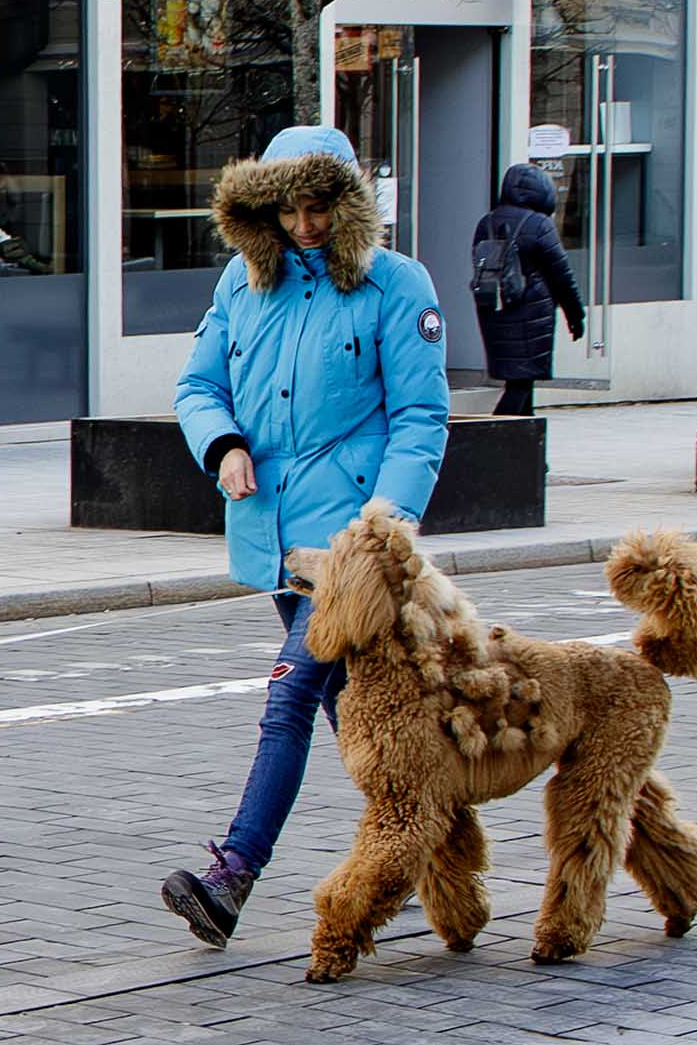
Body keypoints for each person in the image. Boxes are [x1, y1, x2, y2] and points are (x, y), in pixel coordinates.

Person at [164, 125, 451, 949]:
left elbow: (422, 416)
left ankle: (231, 878)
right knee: (351, 712)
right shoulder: (243, 282)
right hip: (274, 538)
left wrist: (382, 529)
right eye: (287, 209)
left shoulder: (396, 285)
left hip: (350, 549)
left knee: (290, 693)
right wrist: (223, 445)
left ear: (347, 203)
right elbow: (198, 384)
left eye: (319, 206)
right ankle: (433, 857)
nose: (304, 226)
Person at [471, 163, 584, 417]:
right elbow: (561, 275)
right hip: (531, 315)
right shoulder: (539, 224)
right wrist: (575, 315)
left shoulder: (486, 223)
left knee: (521, 382)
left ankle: (528, 451)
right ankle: (493, 441)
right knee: (520, 386)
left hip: (494, 310)